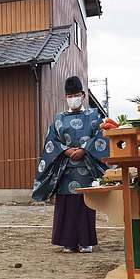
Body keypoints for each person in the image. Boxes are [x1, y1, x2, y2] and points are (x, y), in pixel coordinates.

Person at [32, 76, 109, 253]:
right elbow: (51, 142)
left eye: (75, 94)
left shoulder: (93, 116)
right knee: (66, 206)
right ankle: (68, 242)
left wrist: (84, 149)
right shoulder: (59, 118)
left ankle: (86, 242)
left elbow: (100, 138)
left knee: (85, 205)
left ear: (83, 95)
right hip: (65, 170)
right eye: (69, 95)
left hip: (86, 170)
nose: (72, 98)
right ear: (65, 97)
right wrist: (66, 151)